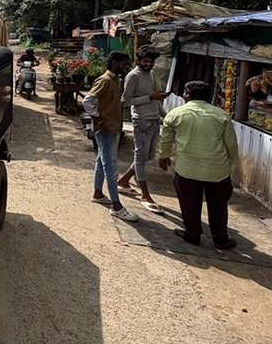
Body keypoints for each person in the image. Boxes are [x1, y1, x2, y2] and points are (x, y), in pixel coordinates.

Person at [158, 80, 239, 250]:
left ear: (187, 96)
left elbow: (166, 140)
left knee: (189, 202)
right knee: (218, 205)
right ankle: (221, 239)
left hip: (187, 169)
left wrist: (163, 157)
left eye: (185, 93)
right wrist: (232, 164)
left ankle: (192, 234)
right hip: (217, 171)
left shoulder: (175, 114)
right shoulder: (221, 115)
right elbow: (231, 145)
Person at [83, 51, 138, 222]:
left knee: (101, 161)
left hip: (111, 128)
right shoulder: (105, 80)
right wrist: (98, 117)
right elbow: (88, 101)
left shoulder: (115, 80)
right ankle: (116, 206)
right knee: (111, 167)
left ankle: (98, 193)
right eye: (123, 63)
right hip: (106, 129)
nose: (125, 67)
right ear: (114, 62)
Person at [116, 46, 170, 213]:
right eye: (145, 61)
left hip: (154, 120)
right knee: (140, 157)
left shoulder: (152, 74)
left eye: (151, 62)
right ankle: (145, 195)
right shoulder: (132, 76)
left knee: (148, 156)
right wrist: (149, 97)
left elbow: (156, 100)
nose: (149, 64)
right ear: (138, 61)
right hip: (141, 122)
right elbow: (125, 101)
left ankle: (124, 181)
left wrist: (166, 116)